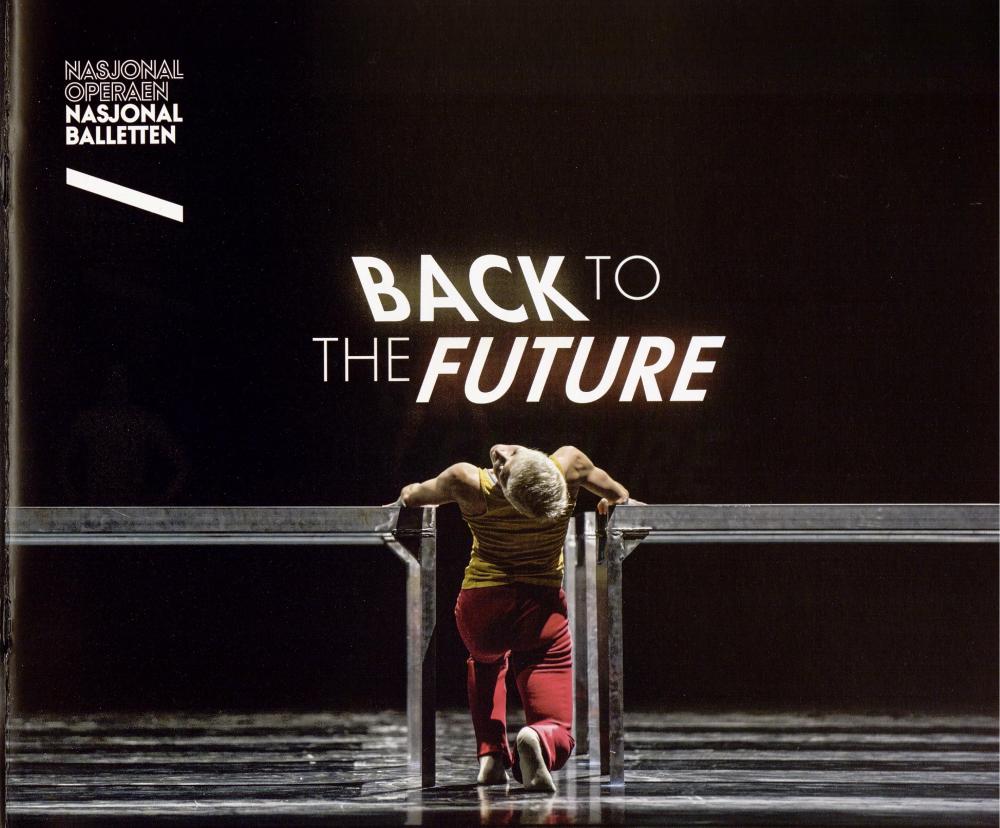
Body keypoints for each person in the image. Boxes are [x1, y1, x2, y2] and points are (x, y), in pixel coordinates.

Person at [394, 444, 633, 792]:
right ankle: (539, 738)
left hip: (483, 610)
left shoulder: (466, 480)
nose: (499, 455)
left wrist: (408, 491)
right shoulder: (570, 464)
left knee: (486, 663)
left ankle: (491, 757)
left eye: (504, 469)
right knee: (558, 727)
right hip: (541, 612)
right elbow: (619, 495)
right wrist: (609, 503)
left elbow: (412, 497)